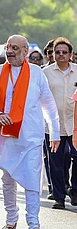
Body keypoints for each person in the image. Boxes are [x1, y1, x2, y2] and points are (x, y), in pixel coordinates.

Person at [0, 34, 60, 229]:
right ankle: (11, 219)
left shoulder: (37, 73)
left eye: (15, 48)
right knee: (8, 179)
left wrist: (55, 132)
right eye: (8, 47)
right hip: (4, 137)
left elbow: (48, 104)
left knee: (33, 179)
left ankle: (33, 221)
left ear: (26, 51)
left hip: (31, 136)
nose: (10, 51)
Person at [42, 37, 77, 209]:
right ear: (53, 54)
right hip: (53, 126)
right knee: (54, 162)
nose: (61, 55)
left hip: (74, 124)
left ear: (71, 55)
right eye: (57, 52)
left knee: (76, 158)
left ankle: (75, 190)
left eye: (64, 52)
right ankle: (59, 197)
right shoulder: (45, 73)